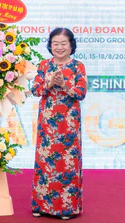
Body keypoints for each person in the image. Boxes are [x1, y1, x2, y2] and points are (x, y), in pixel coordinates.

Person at [31, 27, 87, 220]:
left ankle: (66, 208)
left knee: (67, 163)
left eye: (64, 43)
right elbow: (36, 90)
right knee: (45, 161)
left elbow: (81, 93)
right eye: (55, 43)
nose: (59, 47)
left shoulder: (78, 67)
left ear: (71, 45)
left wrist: (64, 84)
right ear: (50, 45)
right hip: (47, 120)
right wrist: (48, 83)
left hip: (68, 122)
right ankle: (41, 205)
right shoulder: (44, 65)